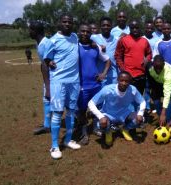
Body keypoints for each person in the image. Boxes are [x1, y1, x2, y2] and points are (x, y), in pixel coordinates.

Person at [45, 14, 81, 159]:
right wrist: (49, 62)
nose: (67, 23)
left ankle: (67, 140)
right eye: (64, 21)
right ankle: (54, 146)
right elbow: (46, 59)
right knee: (58, 113)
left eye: (70, 21)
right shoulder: (52, 40)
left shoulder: (75, 37)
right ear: (59, 23)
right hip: (59, 81)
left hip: (74, 81)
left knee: (71, 111)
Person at [88, 71, 146, 146]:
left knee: (141, 119)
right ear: (117, 80)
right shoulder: (107, 90)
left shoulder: (133, 90)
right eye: (122, 80)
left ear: (130, 82)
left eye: (126, 81)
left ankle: (125, 129)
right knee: (101, 124)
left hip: (124, 114)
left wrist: (140, 113)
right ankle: (108, 132)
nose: (124, 83)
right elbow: (91, 103)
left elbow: (142, 101)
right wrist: (100, 116)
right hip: (108, 115)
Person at [77, 24, 111, 145]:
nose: (85, 33)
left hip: (95, 85)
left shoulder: (95, 46)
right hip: (81, 86)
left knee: (98, 107)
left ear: (91, 34)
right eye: (83, 31)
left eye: (88, 31)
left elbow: (107, 60)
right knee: (82, 111)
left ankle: (97, 128)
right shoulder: (74, 46)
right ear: (78, 32)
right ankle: (84, 133)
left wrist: (103, 74)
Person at [115, 20, 152, 94]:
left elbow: (149, 53)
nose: (135, 29)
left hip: (141, 74)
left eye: (137, 27)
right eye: (132, 28)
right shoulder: (123, 40)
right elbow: (118, 55)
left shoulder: (144, 41)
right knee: (127, 96)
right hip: (128, 74)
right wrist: (123, 69)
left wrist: (147, 59)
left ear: (139, 28)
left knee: (139, 95)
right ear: (129, 28)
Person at [29, 20, 51, 135]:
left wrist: (48, 86)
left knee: (54, 100)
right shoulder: (39, 43)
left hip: (54, 78)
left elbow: (47, 66)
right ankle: (47, 125)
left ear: (35, 31)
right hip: (47, 77)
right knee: (47, 100)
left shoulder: (45, 44)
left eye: (30, 29)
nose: (29, 32)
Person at [148, 55, 171, 126]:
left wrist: (163, 112)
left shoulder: (168, 74)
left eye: (160, 67)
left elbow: (167, 94)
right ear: (153, 64)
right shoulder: (149, 68)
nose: (158, 69)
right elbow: (150, 80)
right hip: (158, 81)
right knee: (155, 100)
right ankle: (161, 118)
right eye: (156, 67)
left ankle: (168, 121)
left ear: (164, 64)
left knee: (169, 100)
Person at [90, 16, 119, 86]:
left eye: (108, 25)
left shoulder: (117, 39)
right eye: (103, 25)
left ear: (111, 27)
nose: (106, 27)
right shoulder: (93, 37)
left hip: (113, 75)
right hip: (99, 75)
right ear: (100, 27)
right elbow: (83, 43)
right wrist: (96, 46)